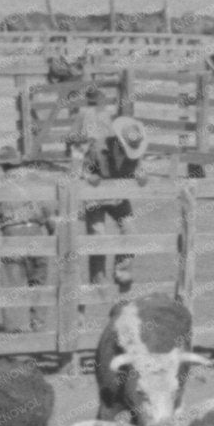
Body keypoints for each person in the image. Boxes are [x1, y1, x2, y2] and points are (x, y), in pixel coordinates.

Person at [0, 146, 54, 333]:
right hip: (36, 233)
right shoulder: (36, 182)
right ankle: (38, 327)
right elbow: (49, 214)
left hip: (12, 234)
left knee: (11, 286)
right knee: (38, 284)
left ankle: (12, 334)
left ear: (3, 166)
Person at [77, 110, 147, 294]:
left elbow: (140, 173)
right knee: (98, 236)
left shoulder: (135, 154)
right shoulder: (97, 148)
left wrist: (142, 177)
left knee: (130, 230)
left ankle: (122, 271)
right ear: (118, 141)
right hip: (96, 197)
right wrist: (89, 177)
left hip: (118, 197)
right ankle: (98, 279)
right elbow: (82, 172)